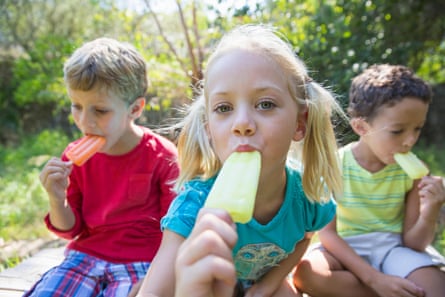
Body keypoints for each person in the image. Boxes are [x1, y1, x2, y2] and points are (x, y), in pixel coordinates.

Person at [134, 24, 345, 297]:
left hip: (260, 282)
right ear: (209, 129)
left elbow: (305, 239)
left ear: (299, 122)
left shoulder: (306, 196)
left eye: (265, 104)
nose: (242, 124)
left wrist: (267, 285)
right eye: (224, 108)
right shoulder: (194, 207)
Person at [24, 37, 179, 297]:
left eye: (100, 111)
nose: (85, 122)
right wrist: (56, 198)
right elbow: (69, 228)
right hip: (84, 257)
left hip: (141, 261)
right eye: (77, 106)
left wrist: (159, 280)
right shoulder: (74, 159)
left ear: (135, 108)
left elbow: (176, 231)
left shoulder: (162, 157)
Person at [293, 64, 445, 297]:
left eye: (417, 129)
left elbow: (414, 243)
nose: (410, 141)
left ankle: (388, 288)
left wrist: (431, 210)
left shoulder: (415, 173)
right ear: (361, 127)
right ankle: (387, 289)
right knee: (307, 274)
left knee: (437, 287)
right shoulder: (334, 166)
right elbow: (329, 234)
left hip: (393, 249)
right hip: (343, 248)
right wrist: (374, 279)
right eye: (397, 131)